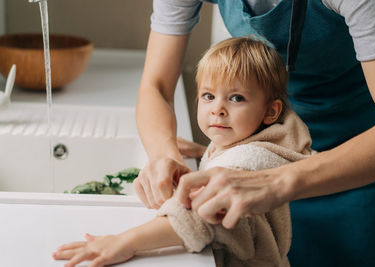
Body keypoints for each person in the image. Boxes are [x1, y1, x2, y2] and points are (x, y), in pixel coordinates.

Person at [134, 1, 375, 267]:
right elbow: (155, 85)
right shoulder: (256, 155)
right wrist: (165, 156)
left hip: (361, 155)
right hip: (264, 145)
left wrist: (277, 181)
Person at [53, 37, 314, 267]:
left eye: (236, 98)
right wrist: (204, 153)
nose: (218, 109)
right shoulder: (249, 142)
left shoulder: (247, 161)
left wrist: (125, 241)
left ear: (271, 112)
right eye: (209, 96)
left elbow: (199, 216)